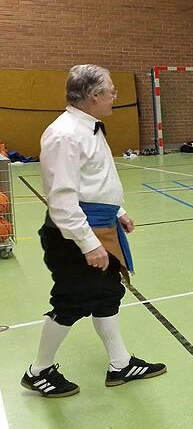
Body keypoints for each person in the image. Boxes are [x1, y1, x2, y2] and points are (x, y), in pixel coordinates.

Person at [22, 64, 166, 398]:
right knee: (71, 301)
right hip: (73, 234)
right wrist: (88, 244)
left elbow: (96, 180)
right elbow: (61, 199)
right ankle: (37, 370)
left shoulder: (90, 127)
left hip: (102, 224)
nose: (116, 95)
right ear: (93, 95)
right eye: (111, 90)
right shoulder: (65, 134)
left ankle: (120, 364)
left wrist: (119, 210)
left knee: (106, 295)